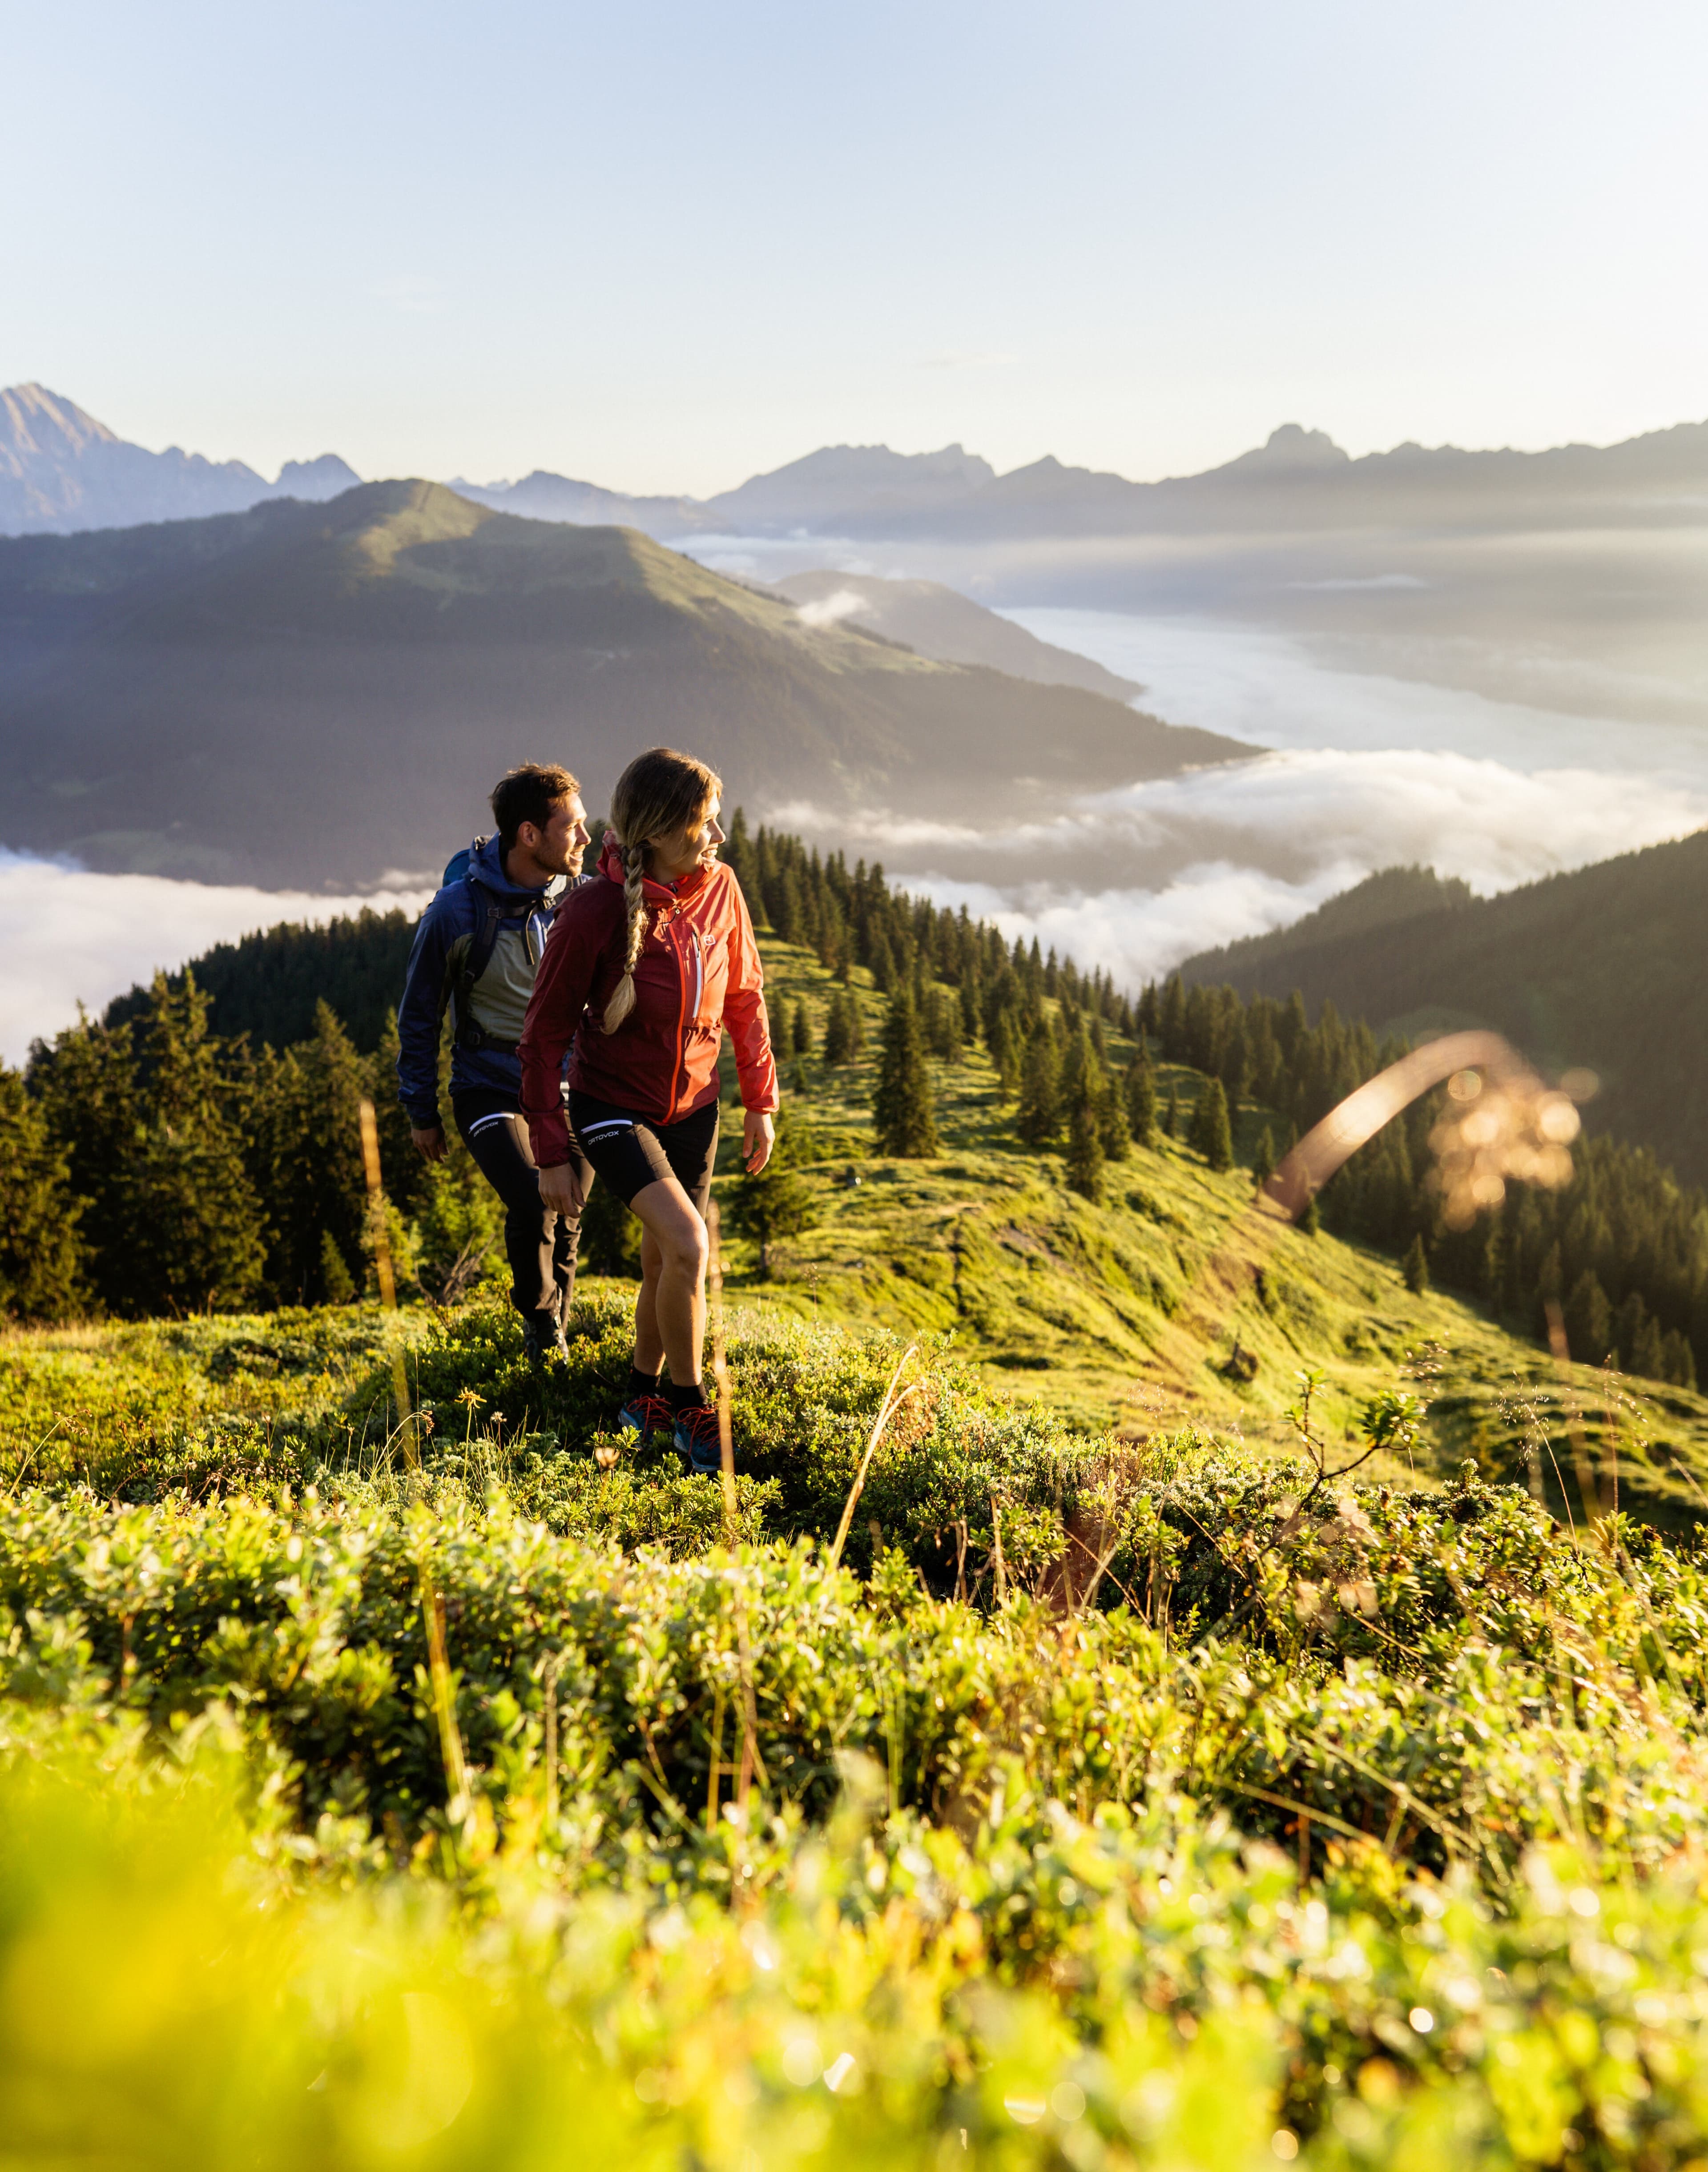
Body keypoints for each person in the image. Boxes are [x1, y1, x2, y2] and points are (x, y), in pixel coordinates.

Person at [519, 746, 777, 1471]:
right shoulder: (594, 910)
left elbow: (745, 999)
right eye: (704, 825)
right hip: (611, 1108)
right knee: (692, 1246)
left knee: (667, 1257)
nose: (718, 839)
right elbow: (541, 1037)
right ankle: (693, 1408)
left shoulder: (720, 889)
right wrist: (551, 1151)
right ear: (660, 831)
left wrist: (761, 1100)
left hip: (697, 1107)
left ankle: (641, 1396)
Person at [396, 762, 594, 1362]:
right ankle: (540, 1327)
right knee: (536, 1196)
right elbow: (420, 1013)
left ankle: (556, 1327)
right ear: (529, 835)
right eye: (573, 827)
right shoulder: (456, 913)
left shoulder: (579, 901)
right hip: (490, 1086)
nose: (585, 839)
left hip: (566, 1086)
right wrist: (421, 1109)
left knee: (569, 1213)